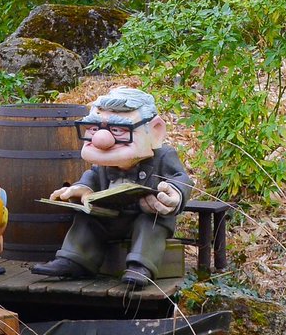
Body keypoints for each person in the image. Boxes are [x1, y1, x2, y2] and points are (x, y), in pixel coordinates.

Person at [31, 86, 192, 289]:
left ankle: (140, 267)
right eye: (95, 129)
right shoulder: (104, 163)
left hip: (147, 215)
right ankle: (74, 259)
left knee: (150, 222)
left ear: (155, 130)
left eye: (118, 130)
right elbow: (92, 176)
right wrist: (81, 189)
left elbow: (181, 178)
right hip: (112, 216)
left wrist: (174, 194)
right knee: (87, 215)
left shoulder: (163, 156)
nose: (102, 140)